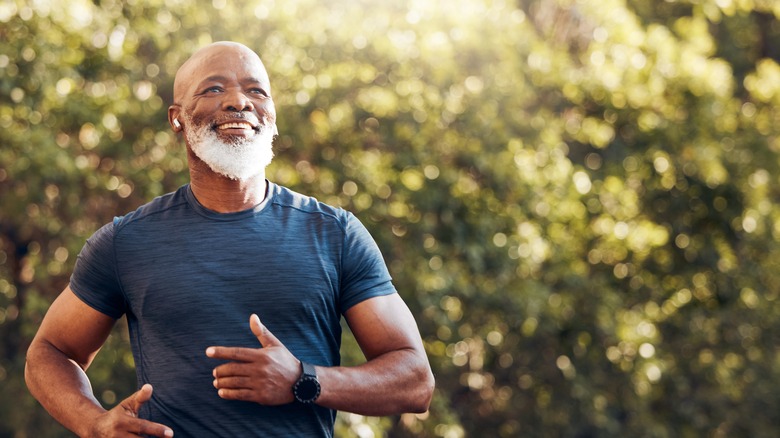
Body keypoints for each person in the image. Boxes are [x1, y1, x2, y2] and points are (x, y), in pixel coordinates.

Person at [25, 41, 435, 437]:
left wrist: (302, 379)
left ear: (271, 115)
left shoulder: (335, 233)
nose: (239, 101)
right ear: (177, 117)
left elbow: (415, 381)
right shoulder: (125, 241)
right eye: (214, 88)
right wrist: (92, 423)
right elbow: (49, 352)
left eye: (256, 90)